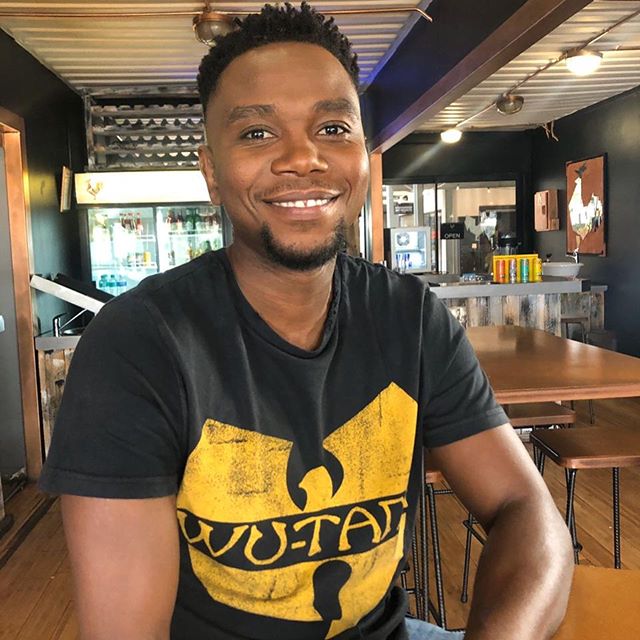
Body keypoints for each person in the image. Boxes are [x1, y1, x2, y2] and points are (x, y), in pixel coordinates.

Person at [39, 3, 573, 639]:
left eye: (333, 127)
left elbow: (524, 507)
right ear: (211, 173)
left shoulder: (409, 317)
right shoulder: (137, 346)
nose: (302, 157)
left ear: (363, 157)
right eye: (257, 133)